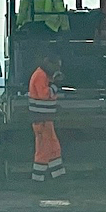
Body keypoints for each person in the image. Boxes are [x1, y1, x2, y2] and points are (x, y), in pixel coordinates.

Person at [29, 51, 66, 185]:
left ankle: (58, 178)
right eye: (56, 66)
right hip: (42, 121)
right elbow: (44, 94)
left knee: (53, 149)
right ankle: (38, 182)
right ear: (49, 63)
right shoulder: (40, 75)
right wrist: (55, 86)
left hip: (45, 120)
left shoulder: (43, 75)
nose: (57, 69)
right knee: (44, 151)